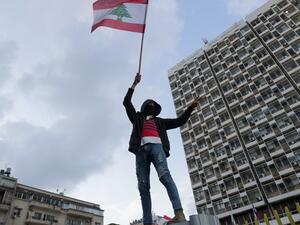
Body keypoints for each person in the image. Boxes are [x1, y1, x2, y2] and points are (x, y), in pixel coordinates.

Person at [123, 73, 201, 225]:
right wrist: (134, 85)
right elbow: (126, 102)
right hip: (140, 151)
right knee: (143, 186)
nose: (152, 105)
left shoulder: (161, 122)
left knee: (165, 177)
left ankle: (179, 213)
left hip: (157, 148)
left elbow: (180, 121)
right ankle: (147, 222)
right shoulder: (137, 118)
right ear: (145, 107)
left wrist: (190, 108)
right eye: (149, 103)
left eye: (154, 104)